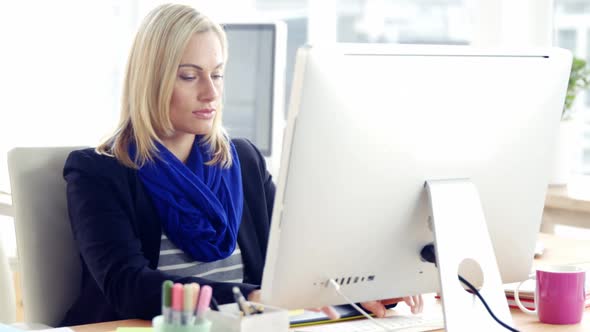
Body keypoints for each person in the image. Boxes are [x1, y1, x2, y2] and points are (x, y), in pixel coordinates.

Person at [61, 3, 422, 326]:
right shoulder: (98, 172)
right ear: (150, 80)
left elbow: (294, 263)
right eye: (189, 76)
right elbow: (128, 285)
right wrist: (247, 298)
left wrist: (353, 290)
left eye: (216, 74)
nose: (211, 92)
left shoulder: (243, 160)